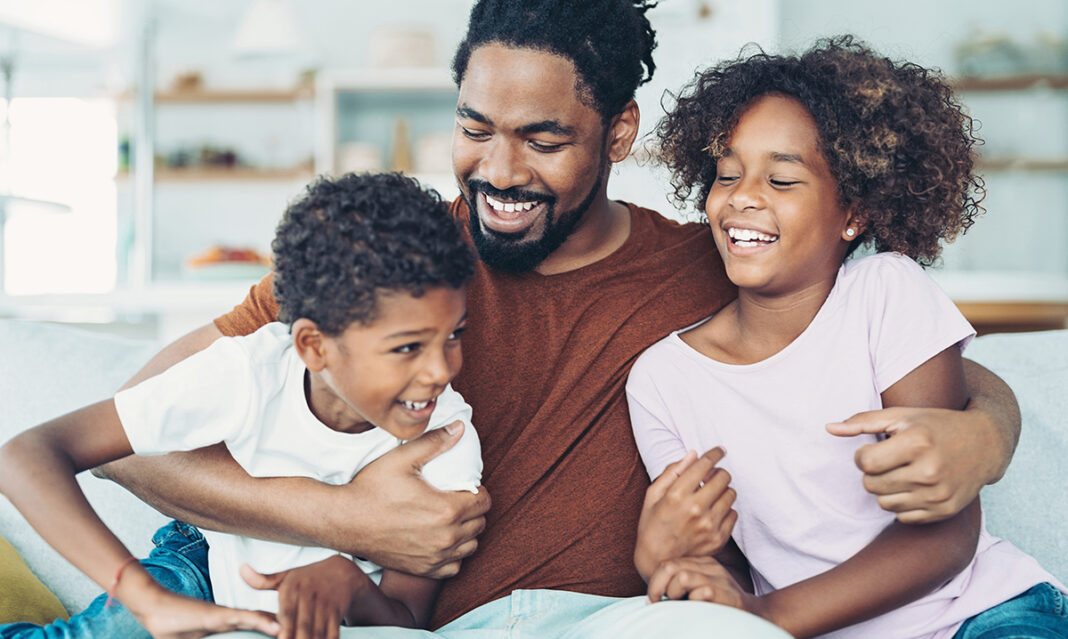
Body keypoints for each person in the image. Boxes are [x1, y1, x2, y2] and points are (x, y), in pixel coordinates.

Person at [91, 2, 1022, 636]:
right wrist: (348, 520)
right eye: (474, 127)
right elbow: (129, 435)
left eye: (543, 139)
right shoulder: (387, 260)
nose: (498, 171)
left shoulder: (713, 257)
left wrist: (987, 434)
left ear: (619, 133)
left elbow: (889, 336)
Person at [626, 37, 1067, 639]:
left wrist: (771, 616)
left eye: (782, 180)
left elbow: (946, 532)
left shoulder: (886, 293)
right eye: (728, 174)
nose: (744, 196)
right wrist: (669, 558)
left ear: (852, 214)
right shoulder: (662, 379)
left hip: (980, 615)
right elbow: (727, 574)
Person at [0, 172, 484, 639]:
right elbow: (27, 455)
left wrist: (351, 585)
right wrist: (142, 594)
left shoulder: (448, 439)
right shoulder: (249, 373)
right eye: (407, 348)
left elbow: (407, 624)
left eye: (454, 335)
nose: (442, 370)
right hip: (205, 564)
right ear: (314, 346)